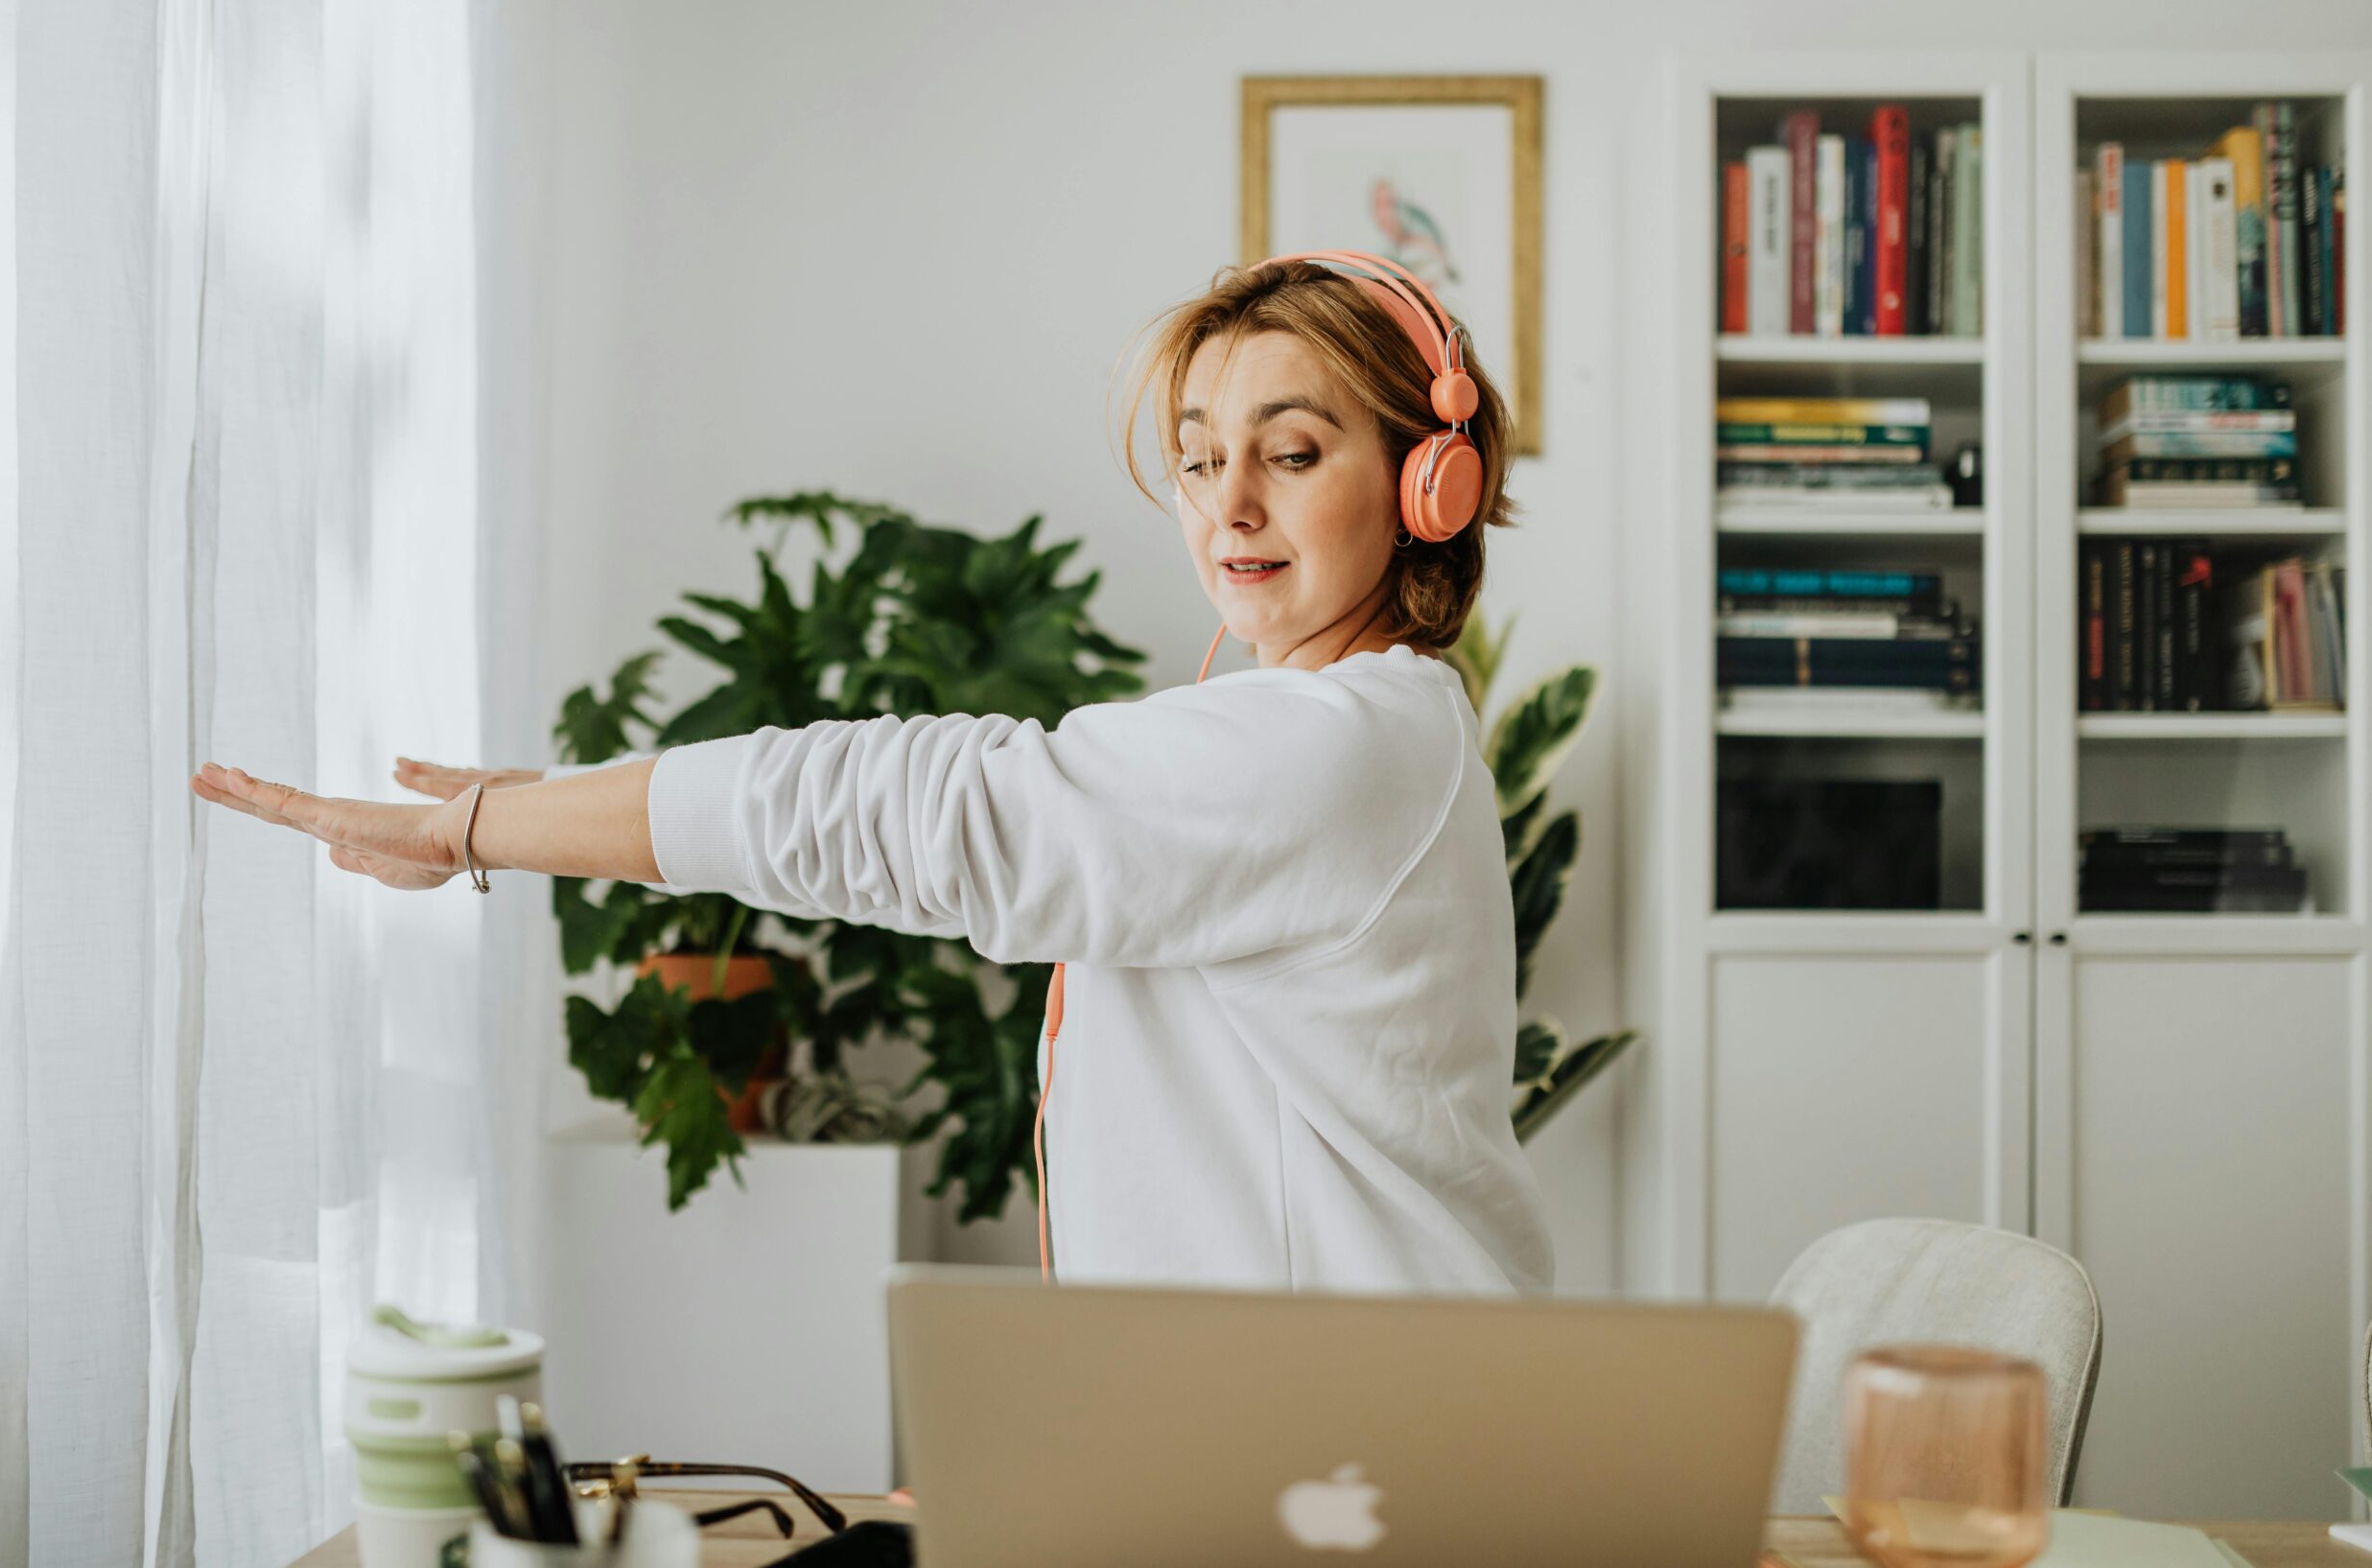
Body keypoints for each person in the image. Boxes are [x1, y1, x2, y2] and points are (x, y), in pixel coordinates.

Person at [190, 255, 1560, 1296]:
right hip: (1316, 1440)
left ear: (1427, 478)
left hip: (1370, 1464)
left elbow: (911, 808)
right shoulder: (1350, 731)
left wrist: (485, 829)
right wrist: (530, 803)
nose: (1229, 504)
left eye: (1295, 451)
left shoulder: (1337, 744)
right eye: (1202, 458)